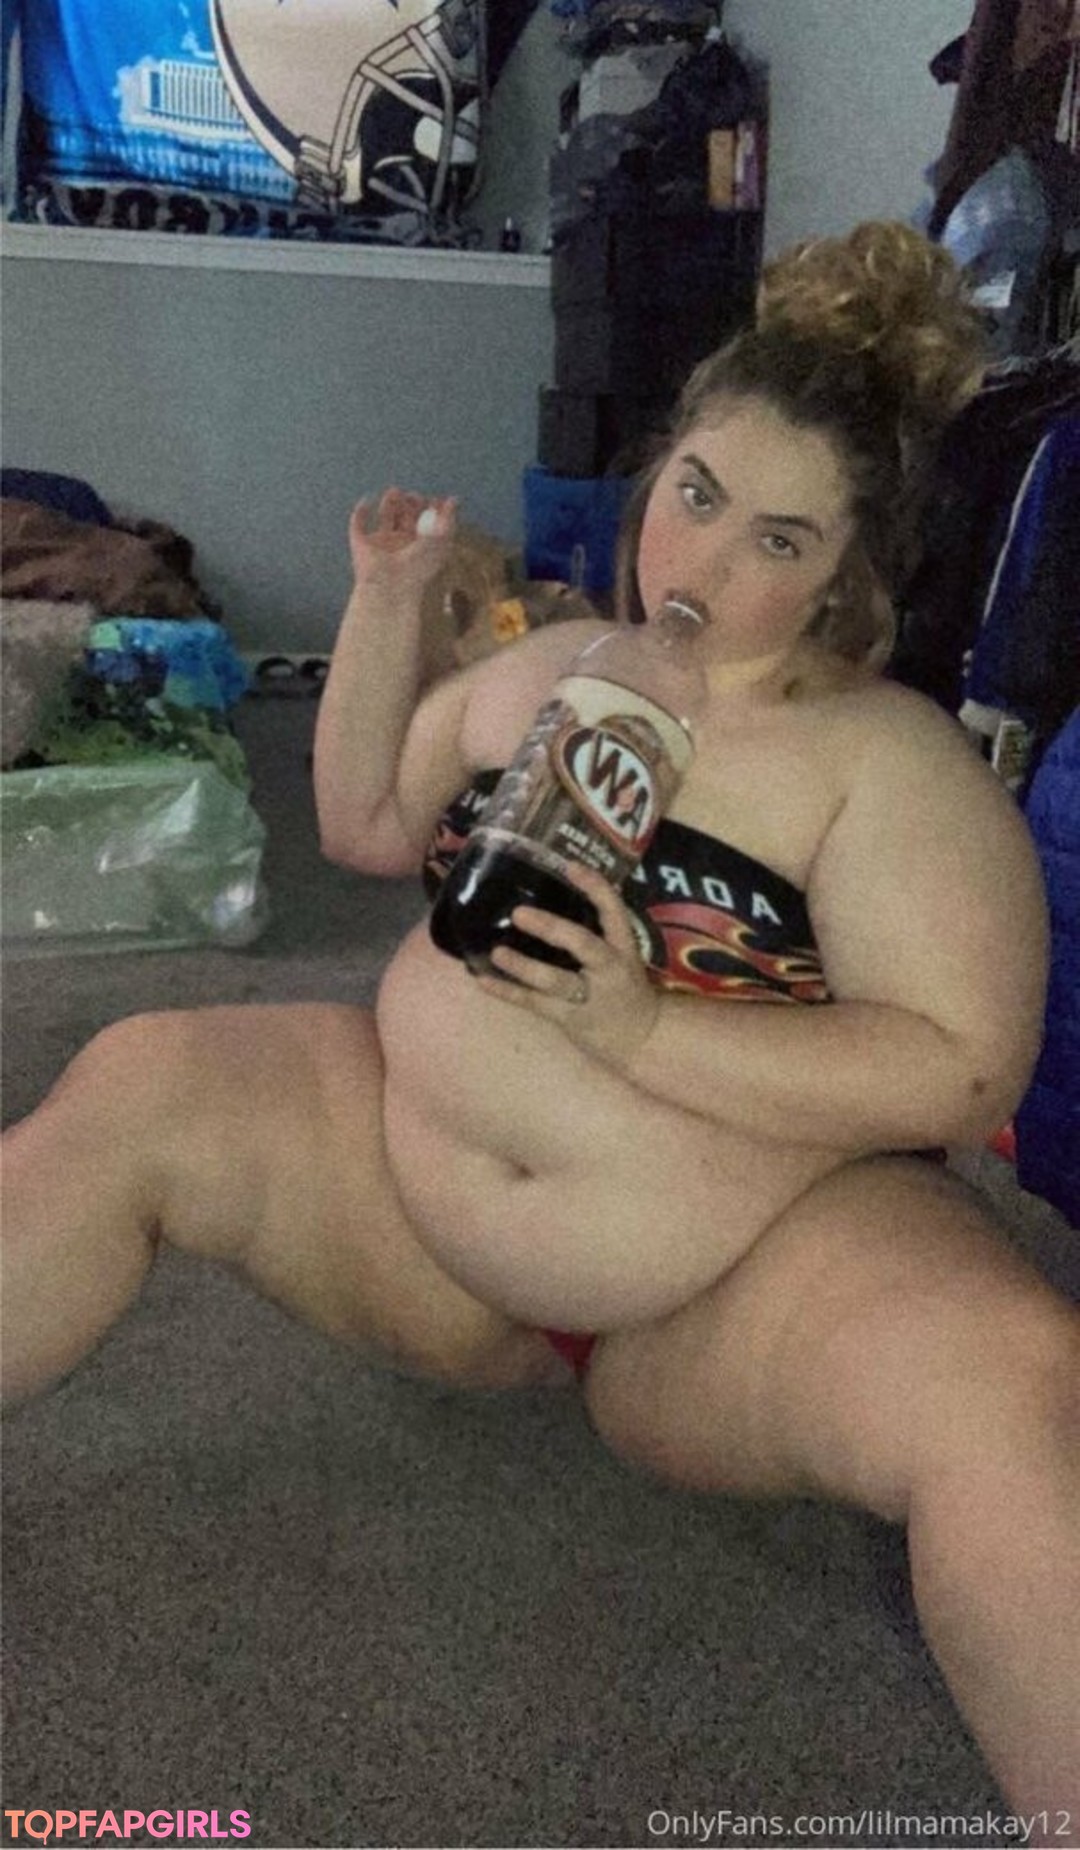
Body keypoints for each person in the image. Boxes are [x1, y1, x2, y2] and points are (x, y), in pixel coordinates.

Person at [2, 222, 1077, 1815]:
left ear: (847, 577)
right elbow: (366, 819)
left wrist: (643, 1031)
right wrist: (387, 603)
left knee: (1006, 1377)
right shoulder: (560, 662)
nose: (704, 563)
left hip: (720, 1283)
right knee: (141, 1073)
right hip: (418, 1207)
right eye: (697, 494)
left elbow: (960, 1061)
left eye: (779, 539)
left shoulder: (884, 762)